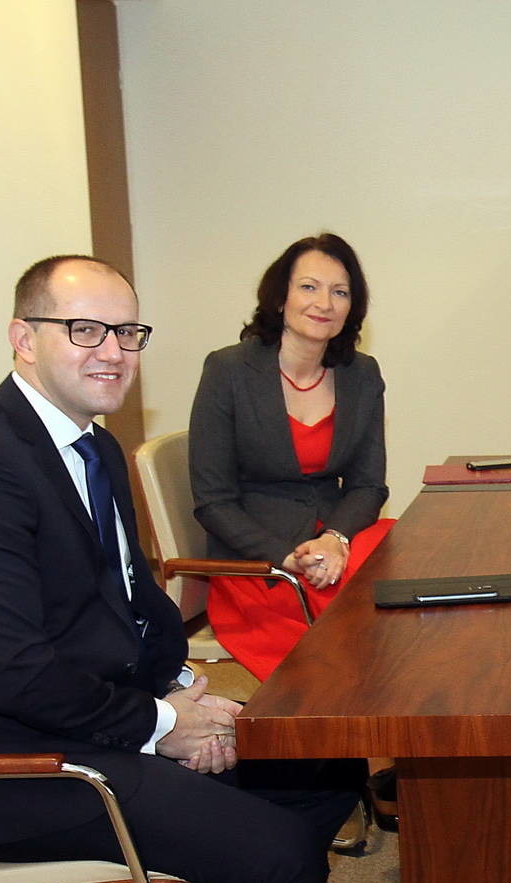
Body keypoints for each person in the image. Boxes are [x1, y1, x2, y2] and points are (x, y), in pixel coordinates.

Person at [0, 256, 362, 883]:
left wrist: (182, 692)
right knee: (284, 863)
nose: (113, 352)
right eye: (84, 330)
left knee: (330, 763)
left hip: (91, 716)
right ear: (23, 339)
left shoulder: (94, 446)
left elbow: (128, 599)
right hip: (15, 767)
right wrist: (163, 727)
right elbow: (19, 676)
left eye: (127, 332)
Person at [188, 233, 396, 827]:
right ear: (280, 296)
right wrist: (285, 555)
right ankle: (347, 765)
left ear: (353, 306)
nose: (323, 303)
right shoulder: (229, 370)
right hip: (256, 555)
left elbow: (369, 485)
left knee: (404, 576)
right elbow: (212, 500)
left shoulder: (362, 373)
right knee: (355, 619)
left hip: (335, 537)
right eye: (309, 286)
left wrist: (336, 539)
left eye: (340, 292)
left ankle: (393, 750)